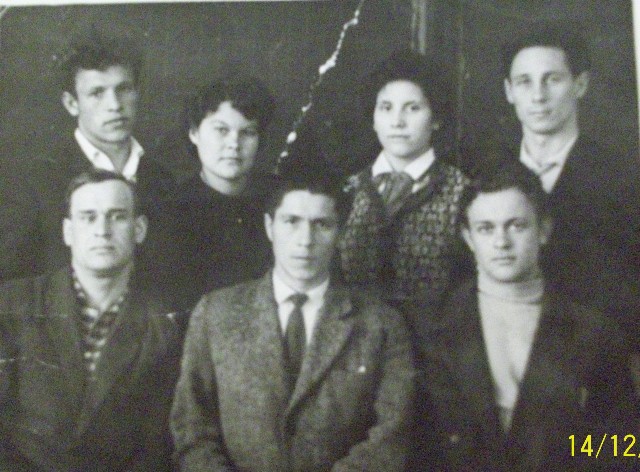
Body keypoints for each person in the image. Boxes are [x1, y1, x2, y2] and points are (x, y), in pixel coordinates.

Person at [170, 171, 415, 471]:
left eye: (321, 225)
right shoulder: (216, 313)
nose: (306, 240)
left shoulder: (381, 324)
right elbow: (191, 429)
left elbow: (390, 436)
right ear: (269, 227)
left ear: (340, 233)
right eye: (291, 222)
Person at [417, 161, 639, 471]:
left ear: (543, 230)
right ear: (468, 239)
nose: (501, 242)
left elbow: (619, 444)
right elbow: (417, 445)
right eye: (486, 228)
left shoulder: (593, 331)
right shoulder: (429, 325)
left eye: (517, 225)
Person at [0, 170, 181, 471]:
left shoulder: (169, 322)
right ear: (67, 232)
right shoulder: (11, 305)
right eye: (88, 217)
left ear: (139, 229)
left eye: (117, 217)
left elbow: (161, 444)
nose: (102, 231)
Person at [501, 21, 640, 342]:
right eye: (524, 82)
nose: (538, 96)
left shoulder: (624, 179)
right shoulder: (485, 176)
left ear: (580, 84)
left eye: (552, 79)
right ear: (509, 91)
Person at [0, 30, 174, 282]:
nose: (115, 105)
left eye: (124, 89)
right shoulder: (36, 181)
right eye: (97, 93)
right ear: (72, 104)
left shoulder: (162, 178)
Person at [338, 48, 469, 315]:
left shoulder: (463, 191)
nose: (397, 122)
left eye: (413, 108)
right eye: (386, 108)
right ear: (373, 118)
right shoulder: (346, 190)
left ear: (436, 118)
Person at [149, 75, 275, 311]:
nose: (234, 144)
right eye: (221, 130)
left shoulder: (281, 200)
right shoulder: (170, 213)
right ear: (194, 133)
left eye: (248, 132)